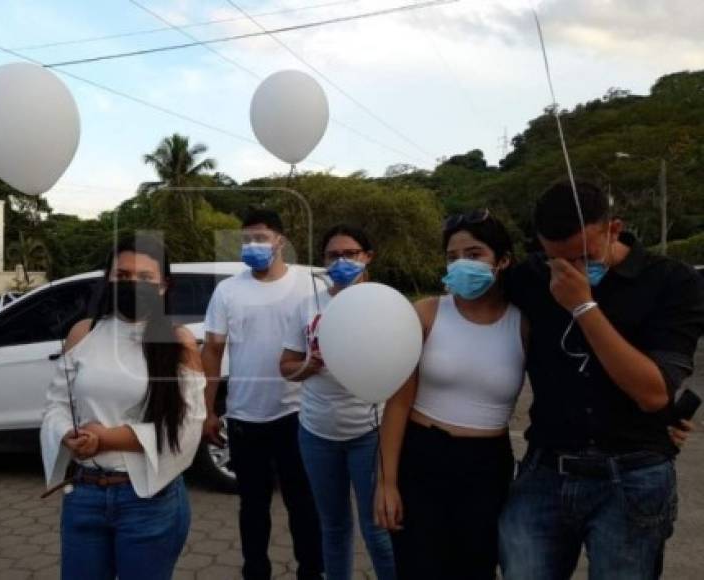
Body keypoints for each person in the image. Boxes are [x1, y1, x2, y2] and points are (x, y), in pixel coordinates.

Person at [498, 181, 704, 579]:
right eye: (557, 260)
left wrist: (582, 305)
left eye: (583, 257)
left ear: (614, 228)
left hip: (632, 475)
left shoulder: (672, 282)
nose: (571, 271)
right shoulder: (533, 277)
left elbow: (653, 392)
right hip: (546, 468)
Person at [40, 234, 206, 580]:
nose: (133, 285)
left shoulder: (178, 341)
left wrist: (109, 438)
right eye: (123, 276)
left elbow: (189, 426)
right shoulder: (84, 333)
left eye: (145, 278)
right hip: (84, 495)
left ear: (163, 286)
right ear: (109, 280)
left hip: (148, 500)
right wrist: (67, 434)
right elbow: (57, 403)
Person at [377, 210, 525, 579]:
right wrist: (386, 483)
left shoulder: (524, 323)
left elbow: (565, 387)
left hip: (487, 467)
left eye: (474, 255)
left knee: (475, 569)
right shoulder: (426, 313)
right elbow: (397, 402)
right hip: (422, 458)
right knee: (417, 567)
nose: (461, 264)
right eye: (452, 257)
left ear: (503, 260)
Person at [201, 209, 325, 580]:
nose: (252, 246)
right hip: (243, 417)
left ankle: (312, 572)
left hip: (298, 413)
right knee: (252, 506)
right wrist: (208, 411)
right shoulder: (228, 290)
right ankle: (255, 571)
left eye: (260, 237)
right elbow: (212, 350)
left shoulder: (310, 285)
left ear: (280, 241)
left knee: (303, 503)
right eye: (246, 240)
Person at [279, 225, 397, 580]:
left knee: (377, 529)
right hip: (316, 433)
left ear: (368, 257)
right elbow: (285, 366)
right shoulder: (307, 305)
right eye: (333, 255)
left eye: (351, 253)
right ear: (324, 261)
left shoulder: (385, 303)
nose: (342, 261)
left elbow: (404, 366)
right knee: (332, 528)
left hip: (369, 431)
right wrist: (307, 366)